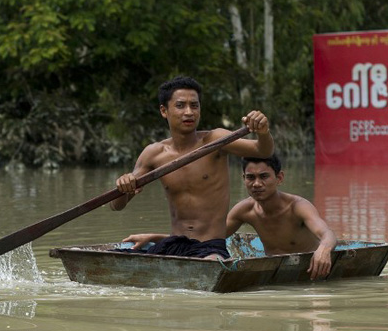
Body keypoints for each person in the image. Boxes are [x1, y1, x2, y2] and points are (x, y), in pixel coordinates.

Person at [111, 76, 274, 260]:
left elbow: (263, 151)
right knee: (116, 257)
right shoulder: (154, 154)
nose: (189, 112)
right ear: (164, 111)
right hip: (175, 244)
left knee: (212, 264)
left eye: (194, 106)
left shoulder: (216, 141)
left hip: (210, 248)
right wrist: (124, 185)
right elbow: (117, 205)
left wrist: (263, 132)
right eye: (180, 105)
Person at [226, 155, 337, 280]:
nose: (256, 184)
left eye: (264, 176)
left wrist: (324, 250)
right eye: (250, 177)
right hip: (272, 273)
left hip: (310, 272)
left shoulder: (298, 206)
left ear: (279, 178)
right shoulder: (244, 210)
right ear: (244, 179)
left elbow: (328, 234)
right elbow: (215, 237)